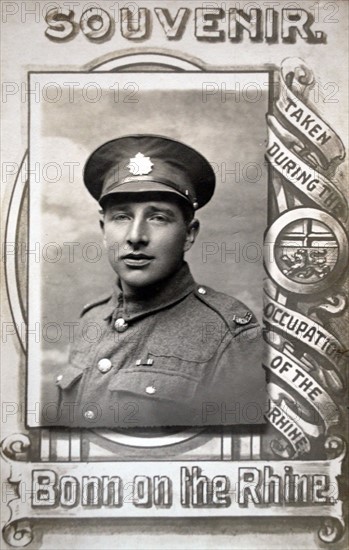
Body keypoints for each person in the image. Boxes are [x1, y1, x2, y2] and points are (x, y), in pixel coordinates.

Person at [54, 135, 266, 428]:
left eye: (158, 218)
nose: (136, 236)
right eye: (121, 217)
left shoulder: (228, 334)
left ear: (189, 234)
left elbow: (234, 457)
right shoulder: (90, 319)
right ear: (103, 229)